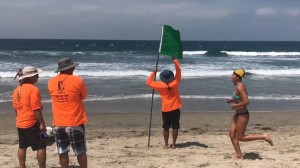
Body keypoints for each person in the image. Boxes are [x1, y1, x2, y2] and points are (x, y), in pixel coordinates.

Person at [48, 58, 88, 168]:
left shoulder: (51, 82)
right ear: (71, 68)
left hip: (58, 122)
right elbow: (83, 96)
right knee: (80, 151)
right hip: (74, 121)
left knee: (62, 151)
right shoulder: (77, 80)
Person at [226, 68, 273, 160]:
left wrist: (235, 106)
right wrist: (232, 100)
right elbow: (240, 97)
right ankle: (239, 155)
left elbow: (246, 101)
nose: (231, 77)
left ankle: (263, 136)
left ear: (238, 77)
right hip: (237, 114)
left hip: (243, 114)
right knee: (231, 134)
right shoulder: (238, 86)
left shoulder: (240, 86)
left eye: (233, 75)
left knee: (240, 137)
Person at [12, 66, 46, 168]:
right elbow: (36, 109)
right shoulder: (33, 89)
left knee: (22, 146)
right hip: (31, 122)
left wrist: (20, 118)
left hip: (20, 122)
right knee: (41, 146)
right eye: (36, 75)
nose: (38, 77)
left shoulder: (17, 90)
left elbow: (16, 108)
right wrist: (42, 124)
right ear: (30, 77)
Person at [146, 58, 182, 149]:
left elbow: (148, 82)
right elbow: (179, 71)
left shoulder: (159, 85)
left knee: (165, 127)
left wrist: (154, 72)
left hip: (165, 109)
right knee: (175, 127)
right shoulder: (175, 83)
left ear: (163, 78)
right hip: (175, 108)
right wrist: (175, 60)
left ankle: (166, 145)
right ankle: (174, 144)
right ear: (171, 77)